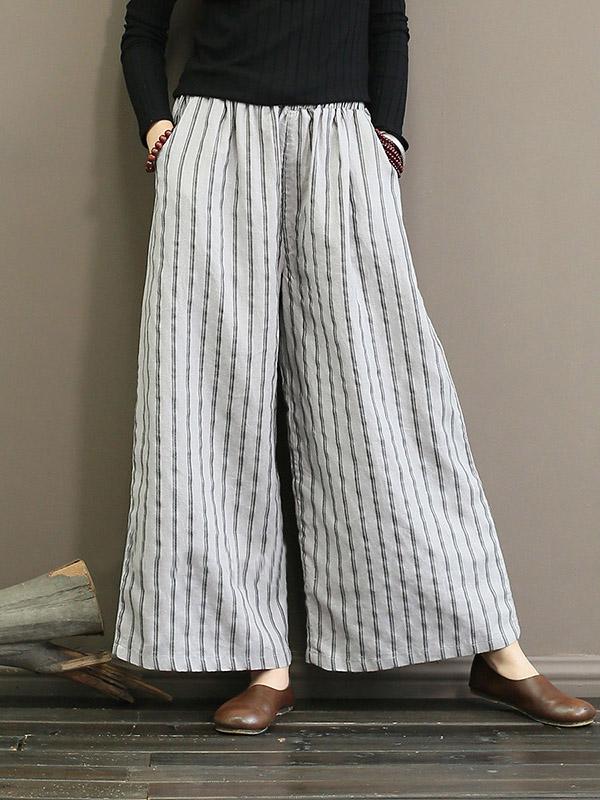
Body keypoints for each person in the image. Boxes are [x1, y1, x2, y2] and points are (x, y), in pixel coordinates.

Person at [111, 0, 597, 735]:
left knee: (387, 394)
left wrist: (386, 136)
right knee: (202, 398)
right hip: (214, 140)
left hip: (341, 140)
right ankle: (263, 665)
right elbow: (142, 31)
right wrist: (157, 127)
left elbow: (387, 27)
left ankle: (498, 650)